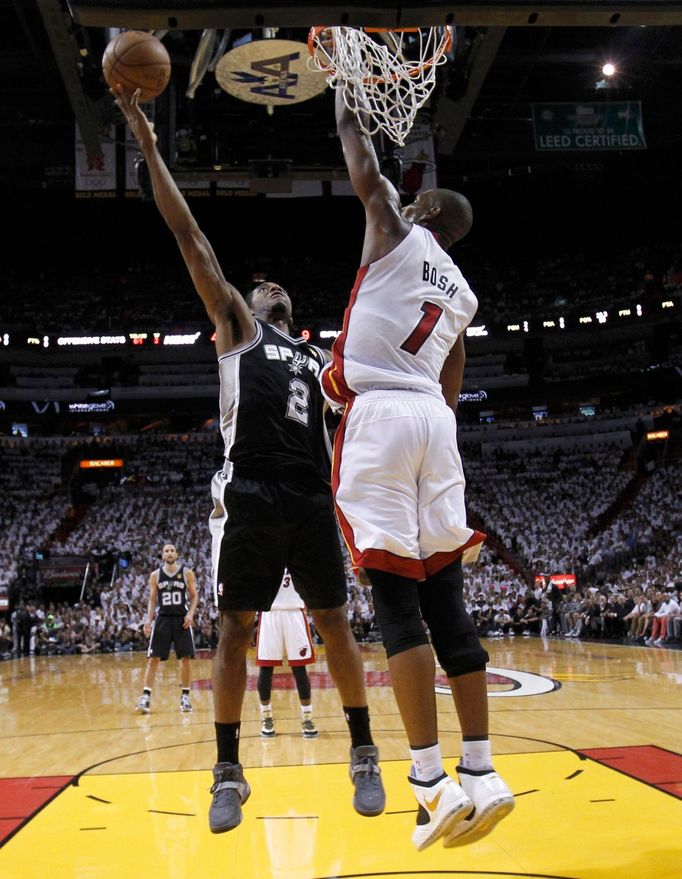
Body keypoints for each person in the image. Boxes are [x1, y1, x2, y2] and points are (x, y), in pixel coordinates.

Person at [112, 85, 385, 835]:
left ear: (289, 307)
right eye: (259, 282)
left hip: (309, 492)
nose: (265, 283)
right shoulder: (238, 327)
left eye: (273, 284)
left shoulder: (320, 356)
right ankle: (227, 769)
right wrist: (146, 140)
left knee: (335, 622)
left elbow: (363, 402)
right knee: (234, 627)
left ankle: (364, 749)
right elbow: (190, 236)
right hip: (253, 489)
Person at [320, 79, 514, 851]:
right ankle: (482, 769)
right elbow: (454, 374)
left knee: (397, 607)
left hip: (384, 418)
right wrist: (434, 429)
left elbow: (358, 156)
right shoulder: (462, 290)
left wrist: (340, 79)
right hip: (437, 424)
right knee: (447, 600)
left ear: (425, 211)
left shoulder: (396, 228)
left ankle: (430, 786)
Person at [135, 543, 198, 714]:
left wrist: (191, 614)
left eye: (172, 550)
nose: (169, 553)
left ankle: (185, 696)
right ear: (162, 555)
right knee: (153, 659)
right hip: (162, 619)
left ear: (177, 554)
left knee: (185, 659)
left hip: (181, 620)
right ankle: (146, 697)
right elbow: (152, 600)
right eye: (166, 551)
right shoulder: (155, 575)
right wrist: (148, 621)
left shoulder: (186, 573)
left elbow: (194, 596)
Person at [256, 570, 318, 739]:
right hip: (270, 613)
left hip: (294, 612)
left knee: (300, 669)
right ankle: (266, 718)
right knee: (266, 668)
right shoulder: (264, 552)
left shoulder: (297, 550)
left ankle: (307, 718)